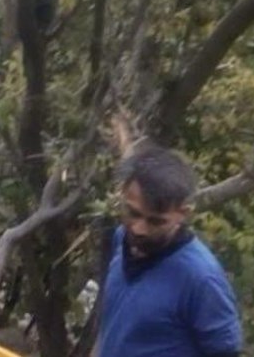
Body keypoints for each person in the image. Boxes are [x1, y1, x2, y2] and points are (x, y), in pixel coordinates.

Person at [96, 144, 242, 357]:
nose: (139, 229)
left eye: (155, 222)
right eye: (133, 213)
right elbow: (112, 326)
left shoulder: (201, 278)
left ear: (183, 214)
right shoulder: (121, 239)